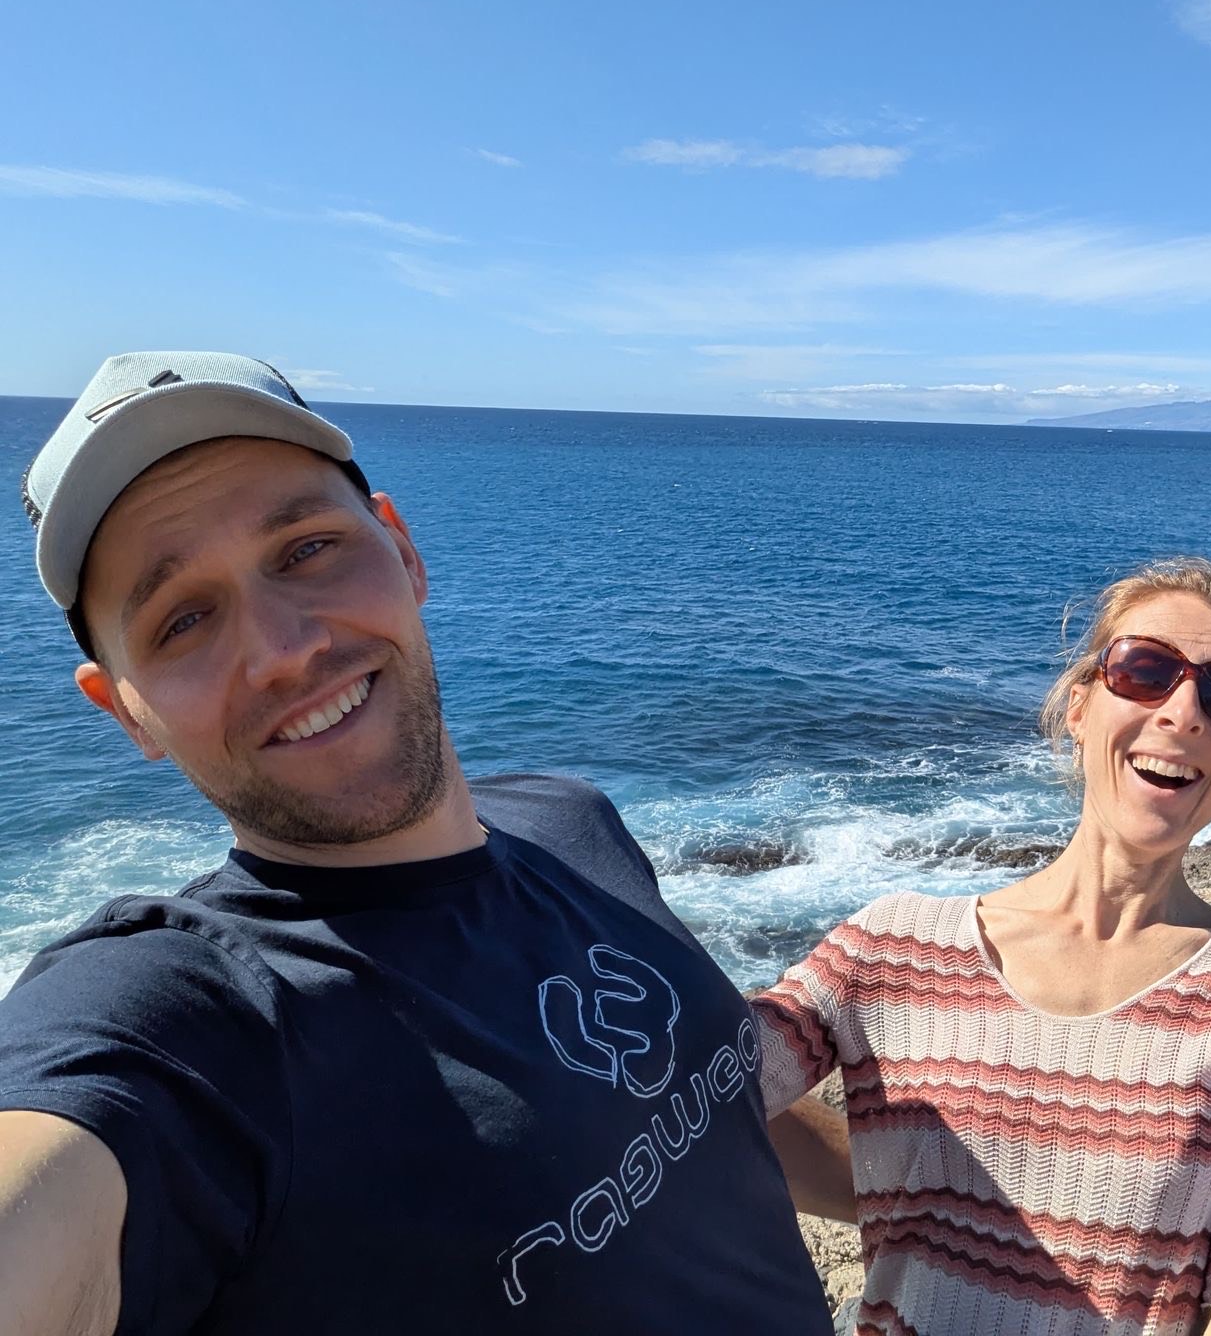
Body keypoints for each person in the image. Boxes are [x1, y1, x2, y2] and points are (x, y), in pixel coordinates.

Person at [0, 352, 836, 1334]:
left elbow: (709, 1101)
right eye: (182, 618)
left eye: (306, 549)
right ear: (126, 713)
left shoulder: (570, 820)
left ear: (401, 549)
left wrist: (994, 1193)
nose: (283, 648)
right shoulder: (183, 1021)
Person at [753, 559, 1211, 1336]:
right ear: (1080, 708)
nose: (1184, 711)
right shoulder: (891, 946)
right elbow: (692, 1091)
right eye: (1145, 670)